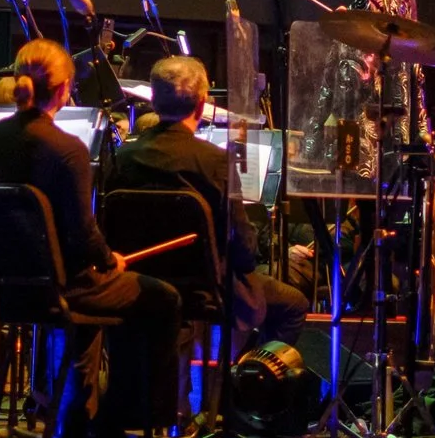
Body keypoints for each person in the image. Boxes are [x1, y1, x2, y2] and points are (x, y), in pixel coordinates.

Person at [0, 40, 180, 438]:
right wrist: (109, 260)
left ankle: (79, 419)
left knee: (93, 303)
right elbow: (82, 235)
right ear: (64, 90)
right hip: (62, 285)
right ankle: (123, 423)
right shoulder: (68, 150)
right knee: (162, 298)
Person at [106, 53, 309, 353]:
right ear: (202, 105)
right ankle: (246, 384)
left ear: (155, 103)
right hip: (205, 287)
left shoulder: (121, 159)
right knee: (294, 304)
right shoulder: (216, 161)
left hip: (138, 282)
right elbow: (242, 248)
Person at [313, 0, 426, 184]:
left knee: (361, 192)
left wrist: (342, 27)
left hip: (369, 114)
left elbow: (356, 66)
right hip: (395, 110)